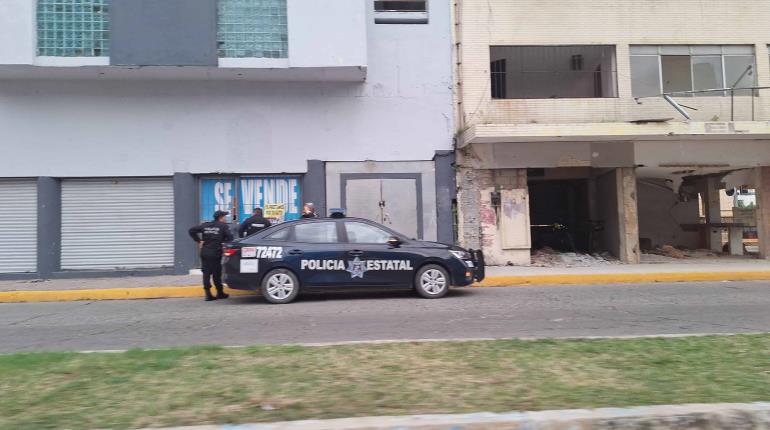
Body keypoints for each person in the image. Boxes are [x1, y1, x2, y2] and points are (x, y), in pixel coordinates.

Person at [188, 210, 234, 301]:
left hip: (204, 252)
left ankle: (208, 294)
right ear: (221, 217)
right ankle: (219, 292)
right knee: (216, 273)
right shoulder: (223, 226)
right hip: (215, 253)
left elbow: (191, 230)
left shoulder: (206, 225)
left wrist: (199, 241)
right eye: (224, 217)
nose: (225, 218)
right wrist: (223, 241)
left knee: (206, 273)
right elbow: (230, 238)